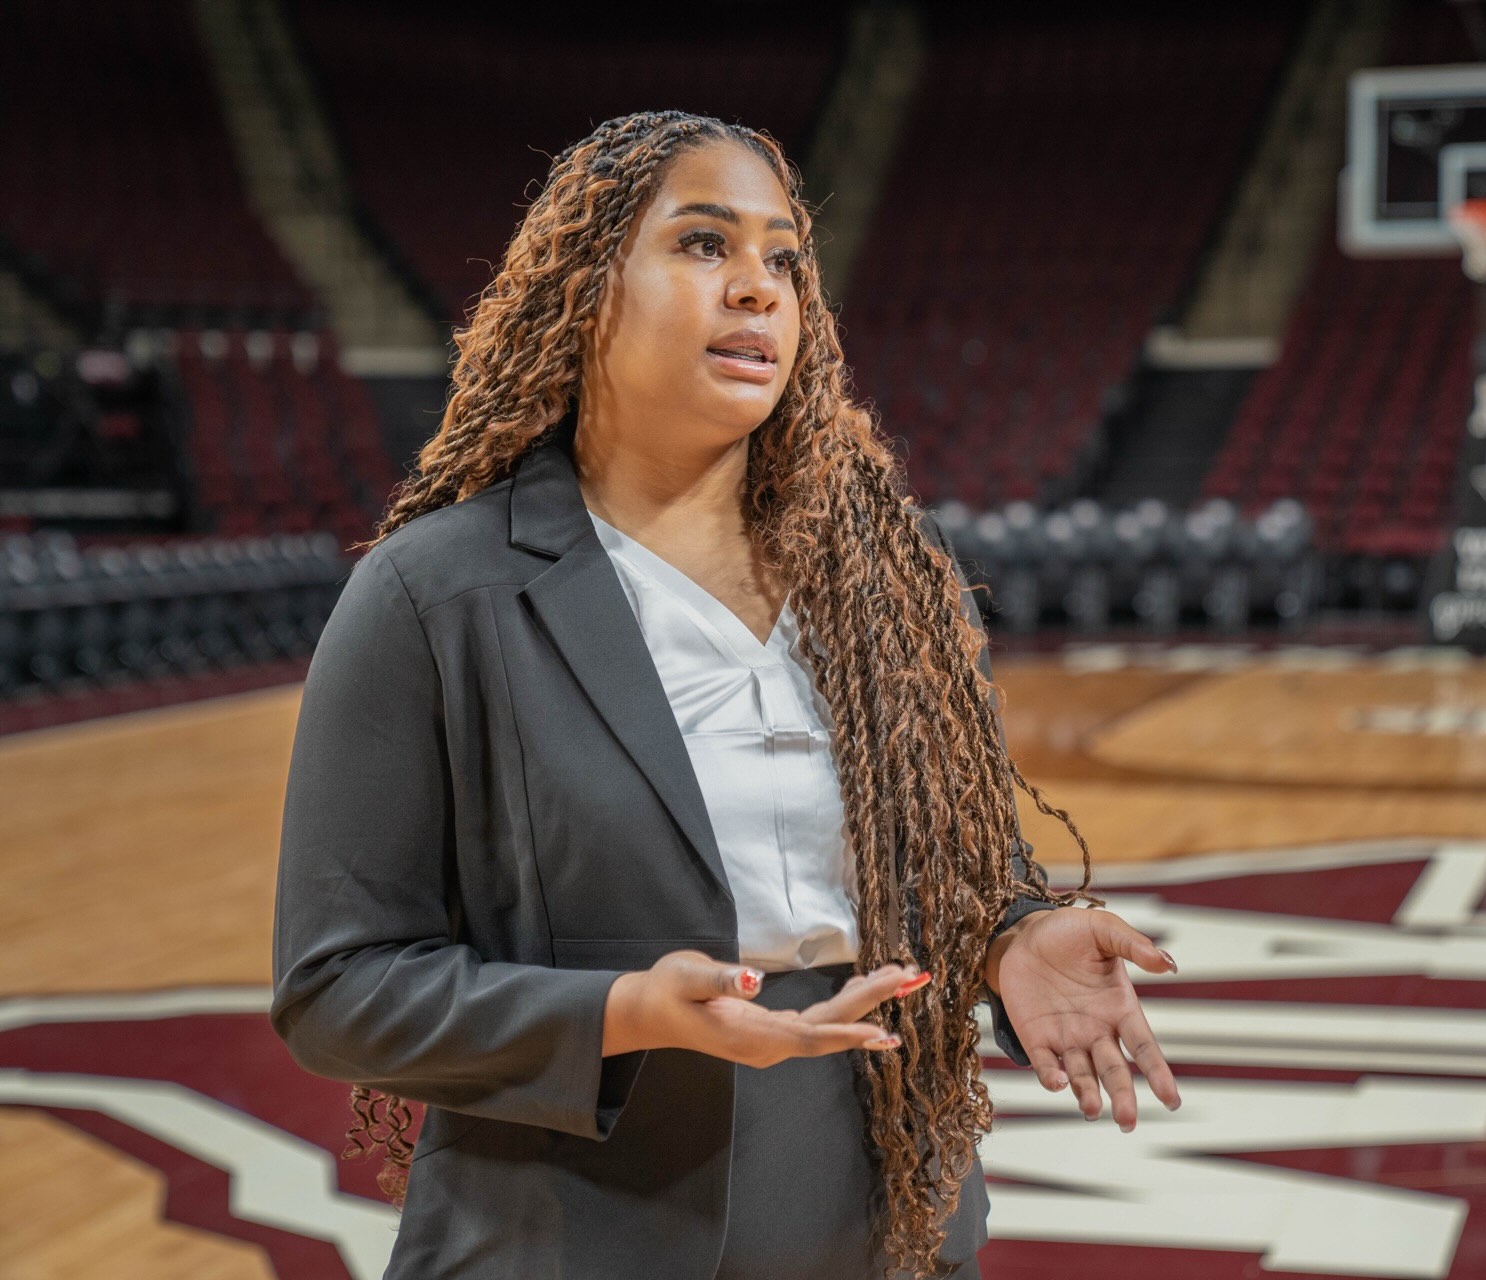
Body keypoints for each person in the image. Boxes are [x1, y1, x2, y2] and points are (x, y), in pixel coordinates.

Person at [270, 110, 1181, 1280]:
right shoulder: (436, 591)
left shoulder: (888, 575)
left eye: (784, 260)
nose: (758, 288)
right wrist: (622, 1012)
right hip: (571, 1227)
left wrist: (1014, 935)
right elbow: (337, 988)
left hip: (884, 1217)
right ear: (587, 291)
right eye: (704, 244)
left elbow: (963, 867)